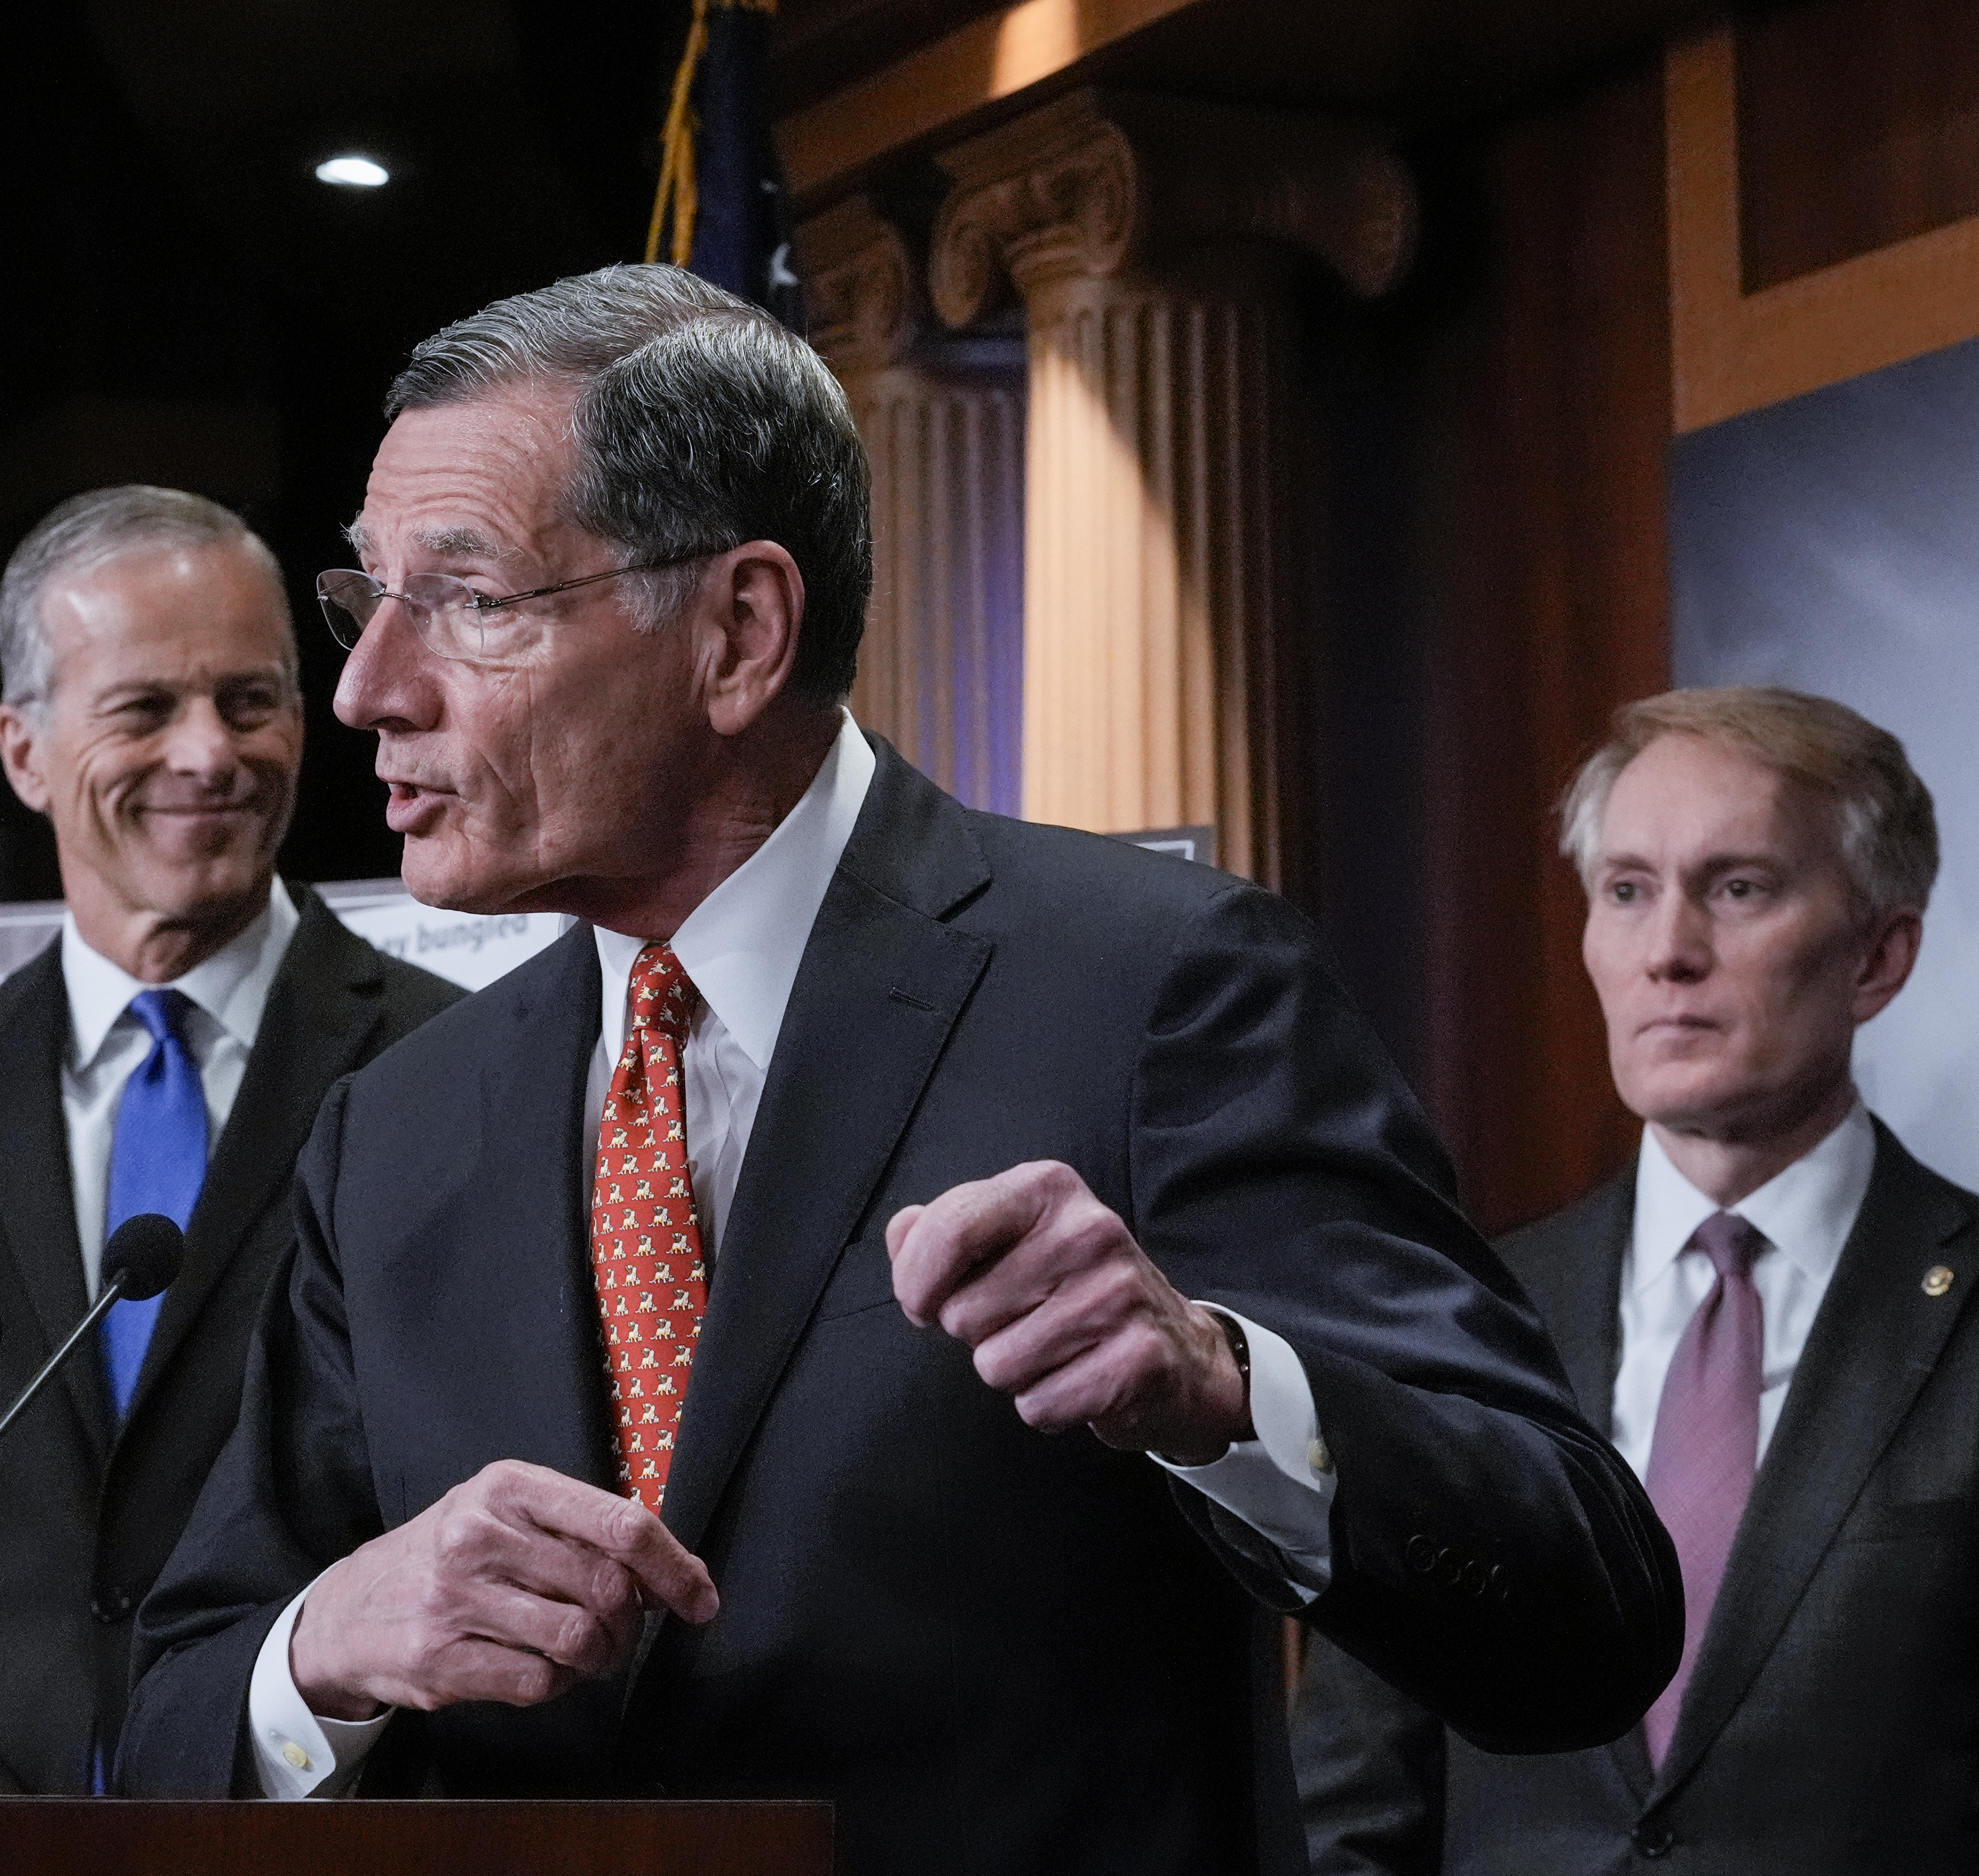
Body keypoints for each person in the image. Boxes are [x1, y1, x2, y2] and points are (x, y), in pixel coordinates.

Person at [114, 265, 1678, 1875]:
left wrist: (1220, 1387)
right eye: (363, 599)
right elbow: (167, 1718)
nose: (369, 688)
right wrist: (323, 1649)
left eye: (468, 600)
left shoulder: (1154, 982)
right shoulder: (392, 1128)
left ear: (736, 630)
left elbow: (1580, 1609)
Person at [0, 486, 463, 1794]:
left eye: (251, 697)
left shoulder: (459, 1074)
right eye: (146, 707)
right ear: (23, 749)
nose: (211, 753)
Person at [1293, 685, 1972, 1872]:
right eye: (1628, 890)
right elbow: (1354, 1805)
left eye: (1738, 886)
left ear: (1879, 952)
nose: (1669, 951)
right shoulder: (1461, 1318)